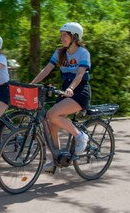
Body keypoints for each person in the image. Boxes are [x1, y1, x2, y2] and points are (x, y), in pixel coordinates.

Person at [30, 22, 91, 168]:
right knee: (51, 125)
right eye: (61, 34)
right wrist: (31, 84)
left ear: (74, 37)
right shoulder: (59, 53)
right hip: (66, 91)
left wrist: (71, 88)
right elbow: (46, 70)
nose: (61, 37)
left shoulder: (83, 53)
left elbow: (80, 74)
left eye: (65, 35)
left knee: (52, 114)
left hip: (79, 92)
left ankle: (80, 136)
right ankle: (56, 158)